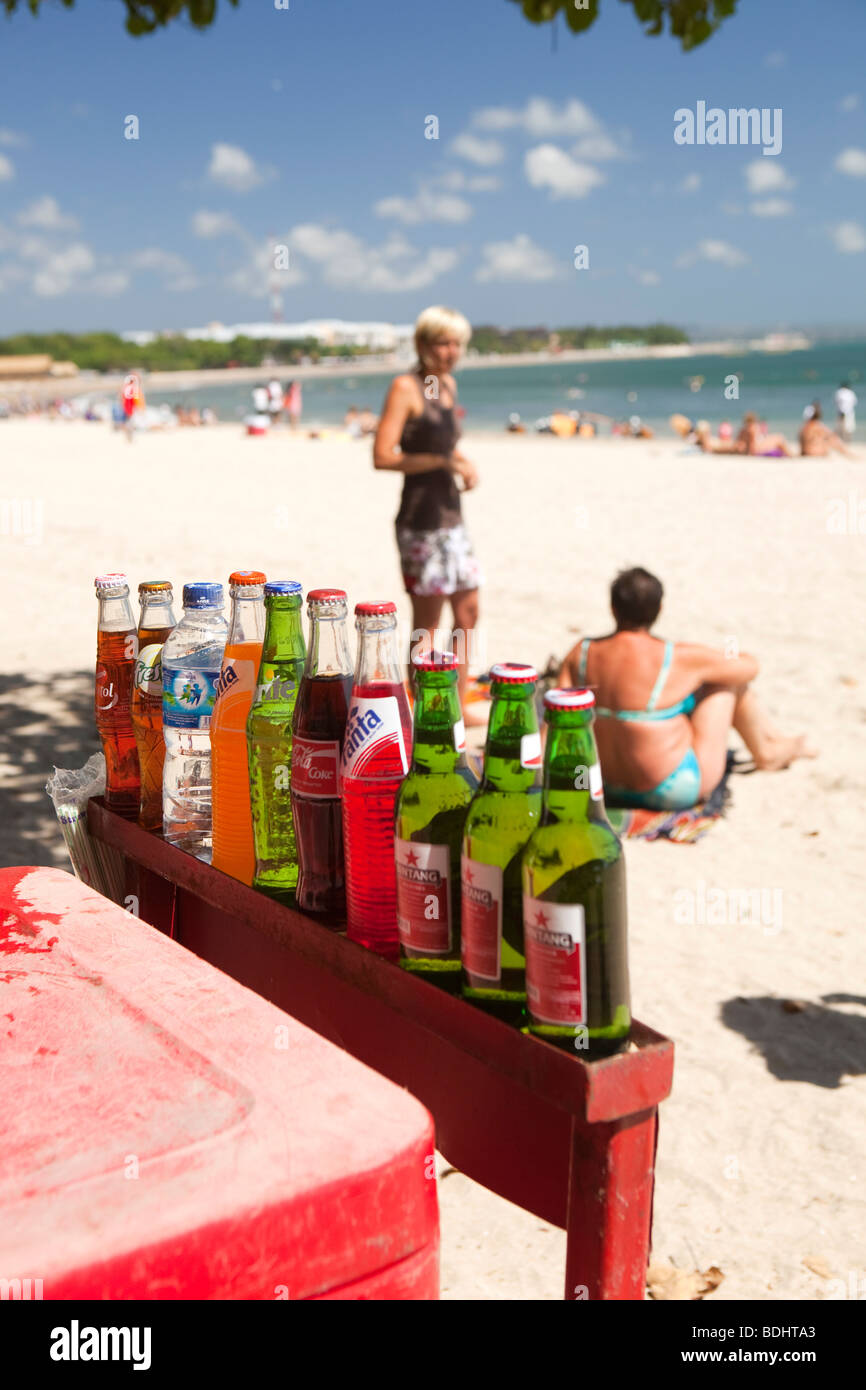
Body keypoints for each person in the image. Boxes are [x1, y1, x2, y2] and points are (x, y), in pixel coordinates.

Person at [558, 567, 815, 811]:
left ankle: (771, 743)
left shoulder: (581, 652)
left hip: (602, 783)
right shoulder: (677, 656)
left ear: (612, 607)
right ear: (659, 609)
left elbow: (555, 717)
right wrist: (717, 659)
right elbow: (749, 668)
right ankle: (767, 751)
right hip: (670, 788)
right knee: (725, 683)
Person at [373, 304, 483, 721]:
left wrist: (459, 460)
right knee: (429, 621)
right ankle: (420, 707)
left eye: (457, 343)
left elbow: (441, 443)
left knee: (469, 609)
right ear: (422, 344)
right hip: (421, 522)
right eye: (442, 342)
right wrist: (441, 463)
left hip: (452, 518)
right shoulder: (406, 387)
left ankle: (458, 697)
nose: (451, 351)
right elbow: (383, 456)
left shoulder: (445, 386)